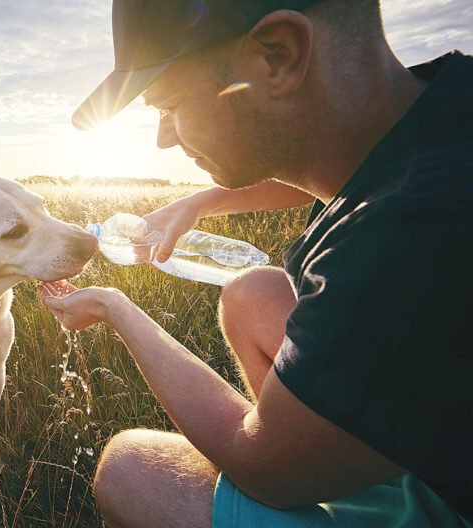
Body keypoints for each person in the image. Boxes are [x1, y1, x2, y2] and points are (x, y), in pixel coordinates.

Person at [39, 0, 473, 526]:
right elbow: (333, 160)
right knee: (251, 293)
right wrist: (199, 202)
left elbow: (265, 469)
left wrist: (116, 308)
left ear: (277, 56)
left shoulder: (413, 233)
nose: (164, 136)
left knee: (130, 468)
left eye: (168, 105)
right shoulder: (439, 110)